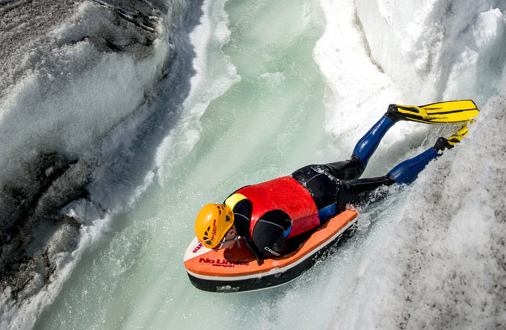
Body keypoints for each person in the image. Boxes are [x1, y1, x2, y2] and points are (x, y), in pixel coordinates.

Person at [194, 104, 461, 261]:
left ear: (230, 231)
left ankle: (441, 147)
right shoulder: (232, 199)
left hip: (326, 197)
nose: (219, 250)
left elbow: (289, 252)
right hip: (307, 174)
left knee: (389, 183)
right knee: (356, 162)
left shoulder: (261, 235)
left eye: (218, 243)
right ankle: (391, 116)